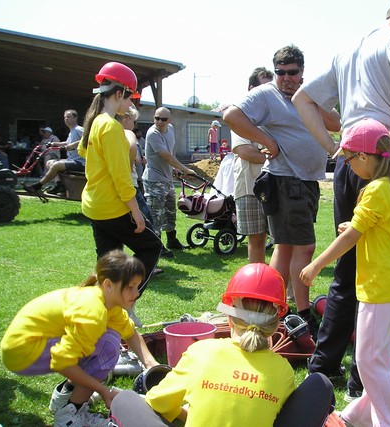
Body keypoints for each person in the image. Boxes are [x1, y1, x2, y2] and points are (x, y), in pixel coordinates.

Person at [292, 0, 390, 403]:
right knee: (384, 262)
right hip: (385, 158)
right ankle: (365, 376)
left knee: (349, 268)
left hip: (349, 163)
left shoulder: (349, 48)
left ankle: (323, 371)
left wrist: (332, 147)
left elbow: (302, 99)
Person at [109, 263, 334, 427]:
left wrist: (190, 412)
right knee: (320, 384)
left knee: (125, 400)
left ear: (228, 317)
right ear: (276, 324)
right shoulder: (283, 370)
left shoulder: (202, 352)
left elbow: (158, 403)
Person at [223, 45, 341, 336]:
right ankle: (302, 314)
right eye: (281, 72)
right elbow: (231, 116)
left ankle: (275, 306)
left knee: (286, 248)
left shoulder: (307, 93)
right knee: (305, 248)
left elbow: (336, 123)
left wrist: (310, 101)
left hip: (305, 181)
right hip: (285, 180)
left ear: (302, 71)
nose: (287, 78)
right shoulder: (266, 94)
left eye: (293, 72)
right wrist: (267, 141)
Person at [300, 119, 390, 427]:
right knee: (377, 359)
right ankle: (356, 416)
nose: (347, 167)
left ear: (363, 157)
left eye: (347, 160)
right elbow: (381, 225)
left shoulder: (374, 190)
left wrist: (316, 264)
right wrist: (356, 225)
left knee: (367, 363)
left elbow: (351, 238)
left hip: (378, 286)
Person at [0, 250, 160, 427]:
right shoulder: (93, 312)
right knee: (108, 347)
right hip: (23, 353)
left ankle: (64, 397)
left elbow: (130, 333)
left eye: (137, 286)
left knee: (109, 339)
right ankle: (70, 416)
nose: (136, 293)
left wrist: (152, 365)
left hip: (20, 347)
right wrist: (103, 390)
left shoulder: (106, 300)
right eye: (130, 287)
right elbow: (62, 362)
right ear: (108, 285)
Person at [78, 61, 162, 309]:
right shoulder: (112, 126)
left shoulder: (95, 122)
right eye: (129, 99)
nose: (130, 105)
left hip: (95, 207)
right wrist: (136, 212)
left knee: (108, 266)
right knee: (152, 248)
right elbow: (121, 176)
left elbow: (86, 152)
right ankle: (126, 304)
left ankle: (98, 311)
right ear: (118, 93)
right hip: (114, 208)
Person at [231, 66, 274, 263]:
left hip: (277, 185)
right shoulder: (240, 115)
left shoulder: (276, 115)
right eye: (263, 88)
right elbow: (245, 152)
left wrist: (269, 153)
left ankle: (286, 291)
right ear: (251, 89)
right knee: (257, 240)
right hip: (250, 187)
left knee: (284, 241)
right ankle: (258, 290)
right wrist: (276, 155)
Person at [143, 107, 196, 256]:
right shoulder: (153, 133)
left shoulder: (170, 129)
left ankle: (171, 240)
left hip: (167, 179)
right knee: (156, 215)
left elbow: (171, 151)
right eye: (156, 118)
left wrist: (175, 170)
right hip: (154, 180)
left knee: (170, 211)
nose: (159, 122)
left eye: (163, 119)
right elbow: (166, 155)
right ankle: (156, 246)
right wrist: (185, 169)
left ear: (169, 120)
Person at [23, 110, 86, 196]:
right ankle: (59, 185)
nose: (66, 119)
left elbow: (87, 139)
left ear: (75, 118)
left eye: (68, 116)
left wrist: (71, 145)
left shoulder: (79, 129)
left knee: (56, 165)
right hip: (72, 160)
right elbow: (67, 143)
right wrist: (54, 143)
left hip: (81, 162)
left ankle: (37, 186)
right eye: (65, 117)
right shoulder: (72, 131)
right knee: (49, 162)